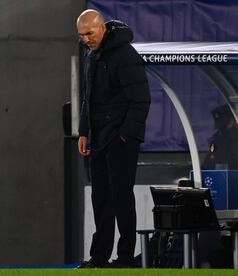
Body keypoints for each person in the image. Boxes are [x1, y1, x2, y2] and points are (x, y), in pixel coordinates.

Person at [76, 10, 151, 268]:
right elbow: (88, 99)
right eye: (82, 35)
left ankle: (126, 258)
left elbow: (141, 101)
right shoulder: (90, 56)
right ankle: (99, 257)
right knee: (101, 200)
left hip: (120, 140)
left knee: (121, 199)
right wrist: (84, 132)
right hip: (98, 139)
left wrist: (124, 135)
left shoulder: (126, 56)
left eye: (89, 33)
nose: (86, 39)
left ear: (102, 28)